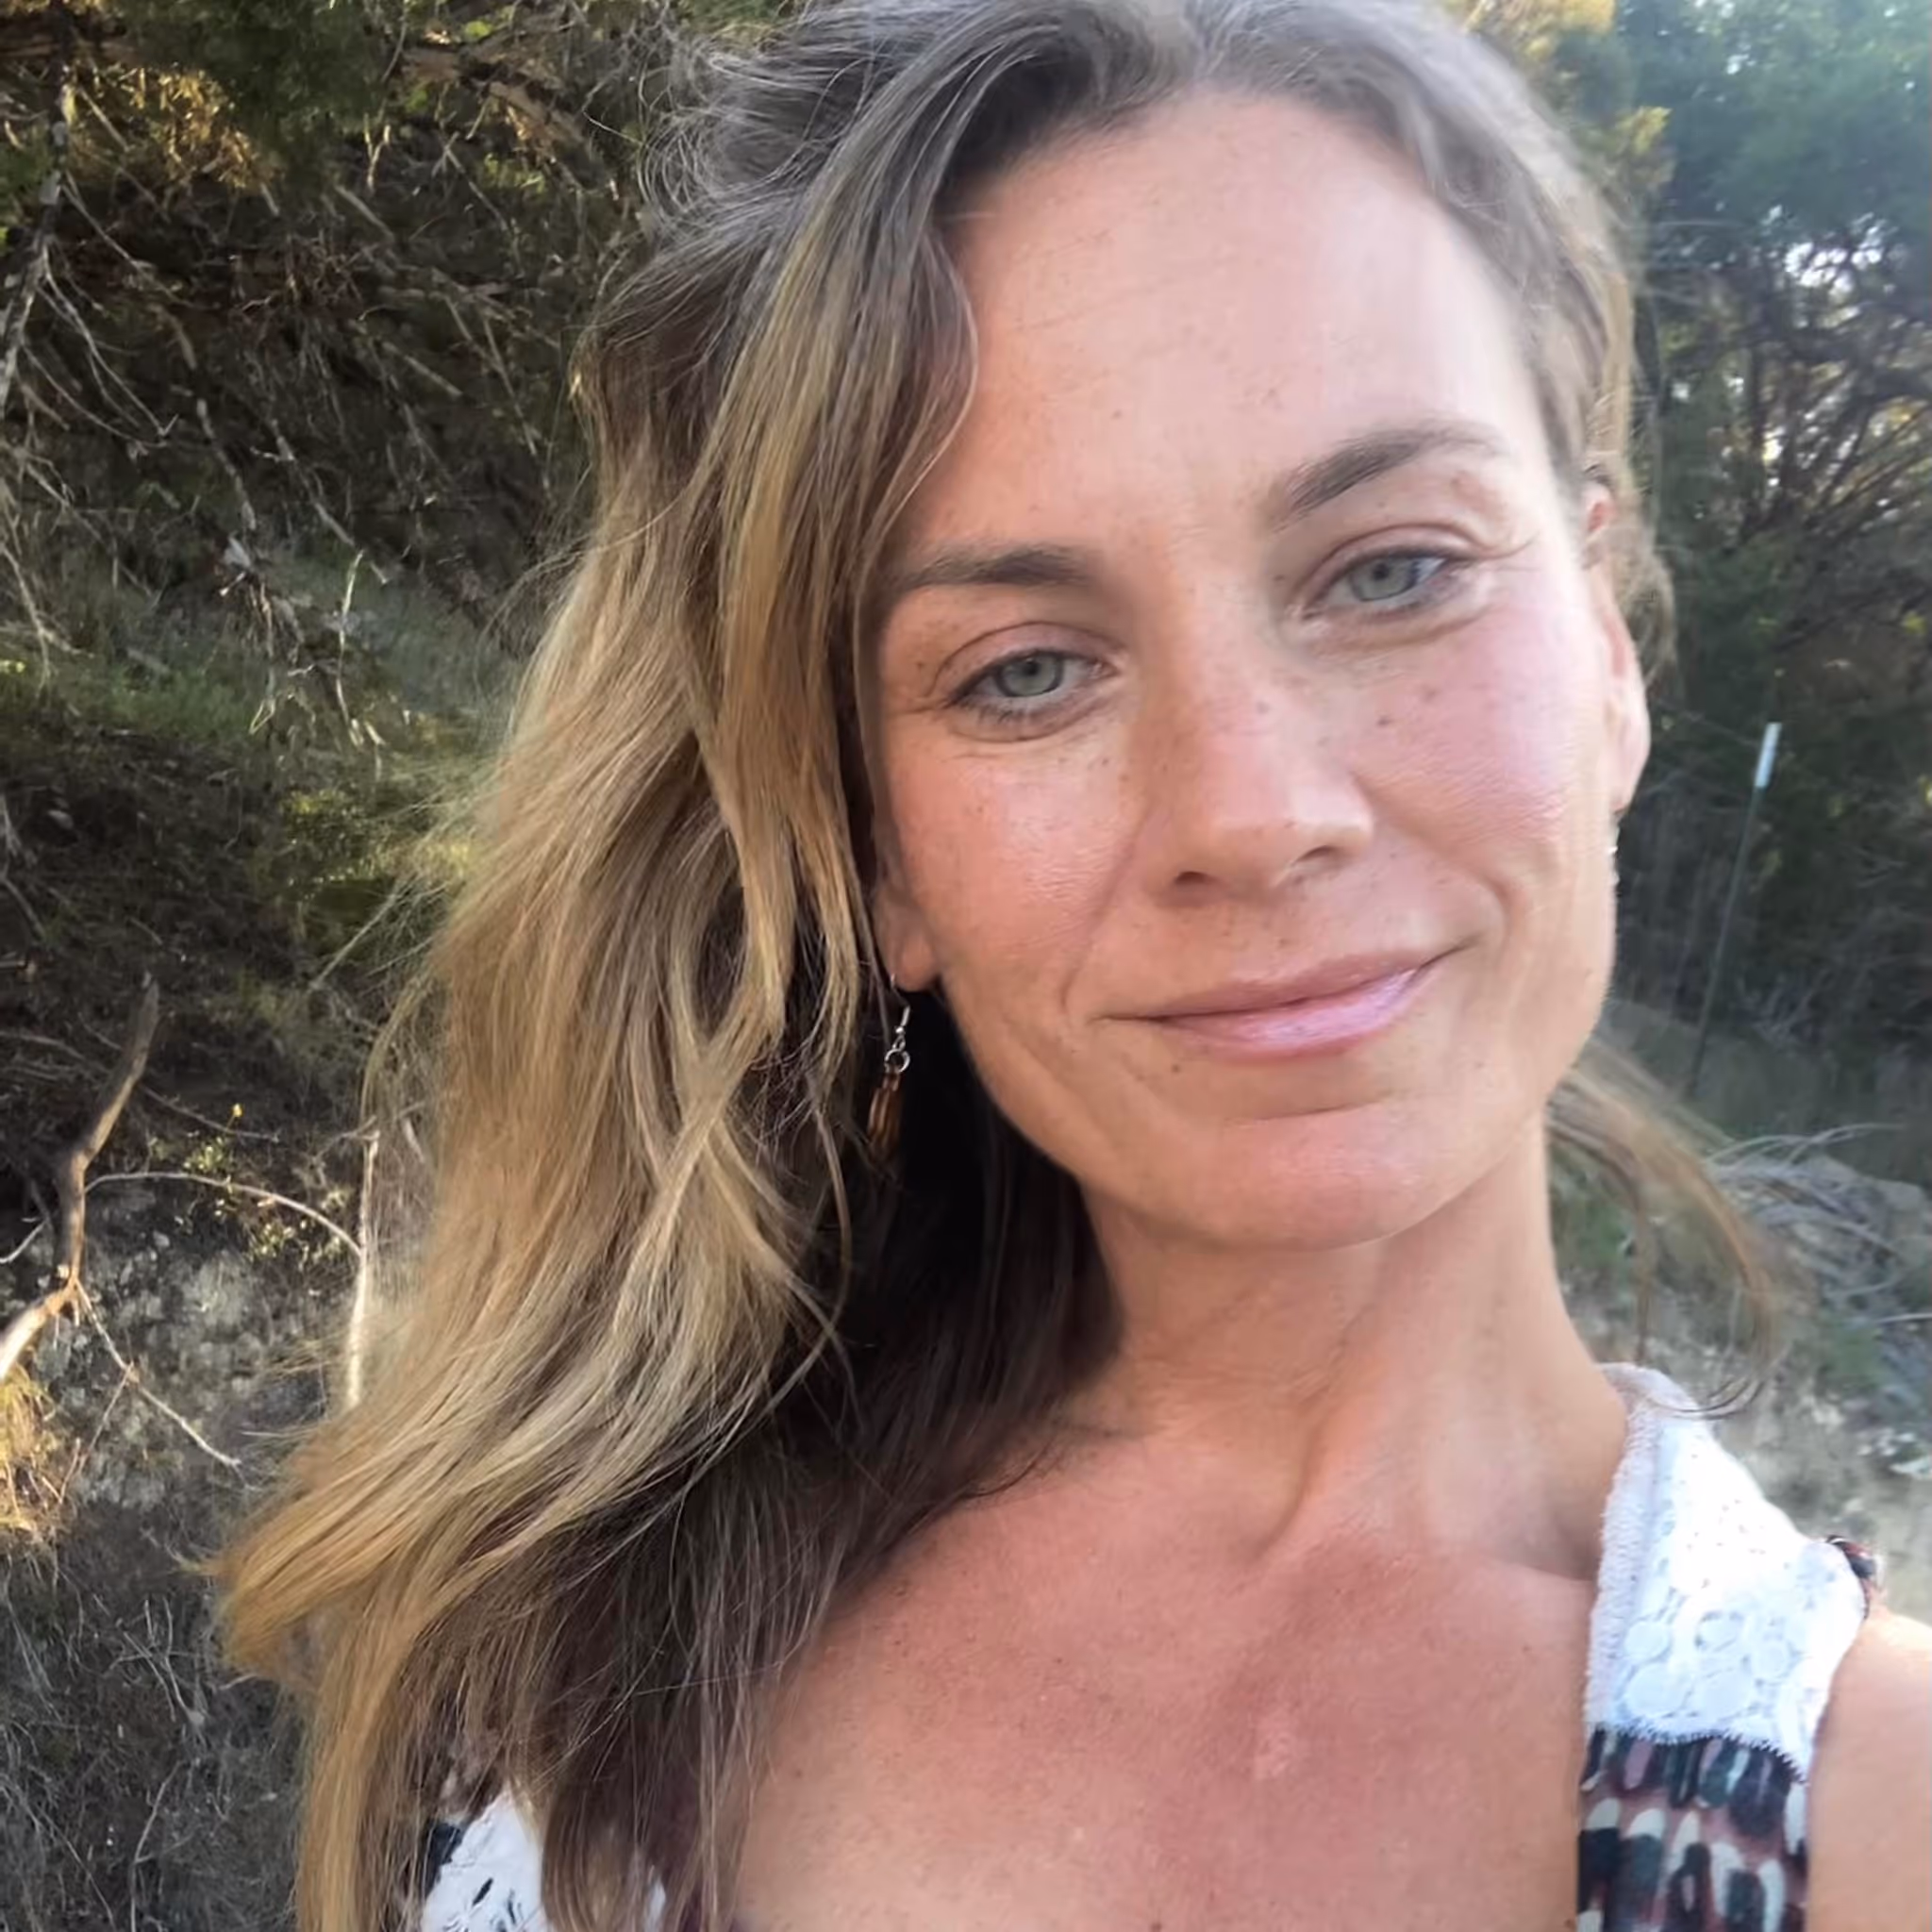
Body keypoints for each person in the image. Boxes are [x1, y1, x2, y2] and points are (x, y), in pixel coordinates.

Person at [220, 2, 1932, 1928]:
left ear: (1605, 648)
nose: (1252, 808)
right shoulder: (590, 1640)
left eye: (1393, 569)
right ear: (877, 850)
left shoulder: (1867, 1826)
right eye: (1023, 669)